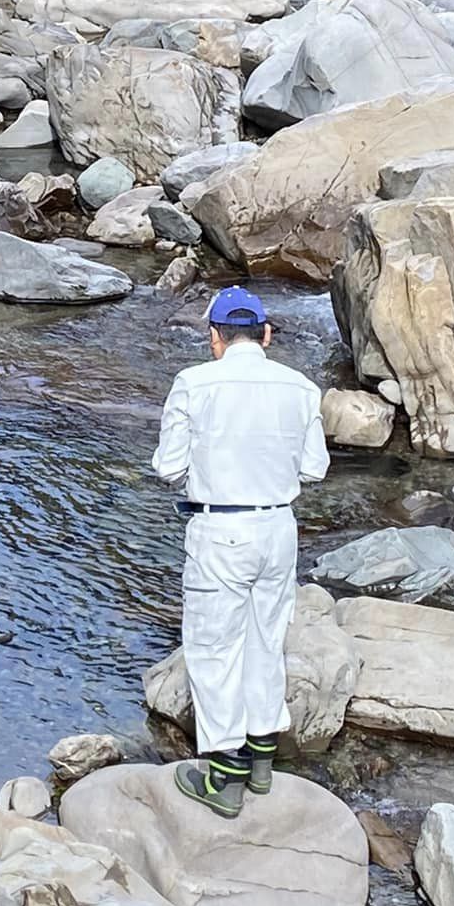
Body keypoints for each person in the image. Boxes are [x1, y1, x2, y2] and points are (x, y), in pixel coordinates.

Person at [151, 286, 328, 818]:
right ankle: (262, 760)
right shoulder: (300, 387)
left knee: (214, 648)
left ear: (215, 338)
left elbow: (168, 467)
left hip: (221, 529)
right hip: (278, 529)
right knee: (266, 640)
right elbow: (314, 469)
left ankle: (223, 778)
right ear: (267, 335)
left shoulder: (194, 383)